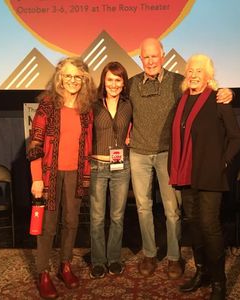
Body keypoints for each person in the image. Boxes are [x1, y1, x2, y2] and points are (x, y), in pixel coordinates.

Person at [128, 38, 234, 279]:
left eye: (155, 56)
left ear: (163, 56)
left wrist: (227, 92)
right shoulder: (132, 84)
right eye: (146, 57)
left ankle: (174, 257)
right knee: (143, 208)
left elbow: (205, 94)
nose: (151, 61)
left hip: (169, 154)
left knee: (172, 210)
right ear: (140, 58)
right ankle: (149, 253)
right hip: (139, 153)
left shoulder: (178, 81)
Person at [169, 54, 240, 300]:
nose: (193, 74)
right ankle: (202, 273)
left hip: (210, 176)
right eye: (190, 70)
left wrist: (222, 162)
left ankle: (219, 282)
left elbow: (236, 138)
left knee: (210, 227)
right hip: (186, 173)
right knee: (194, 225)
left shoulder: (218, 99)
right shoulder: (181, 101)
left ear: (208, 75)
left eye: (199, 71)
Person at [27, 57, 96, 299]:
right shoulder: (47, 105)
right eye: (68, 75)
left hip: (76, 174)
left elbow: (88, 143)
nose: (73, 80)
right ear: (60, 78)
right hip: (49, 174)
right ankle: (43, 273)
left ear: (84, 80)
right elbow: (35, 144)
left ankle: (65, 265)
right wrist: (37, 178)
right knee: (48, 226)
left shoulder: (87, 108)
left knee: (71, 222)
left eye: (78, 76)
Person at [89, 62, 132, 278]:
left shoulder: (129, 104)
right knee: (97, 218)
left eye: (118, 80)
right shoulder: (93, 104)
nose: (113, 84)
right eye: (109, 80)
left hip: (121, 166)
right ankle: (98, 261)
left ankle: (114, 258)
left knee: (117, 216)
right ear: (103, 81)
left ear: (123, 83)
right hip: (97, 165)